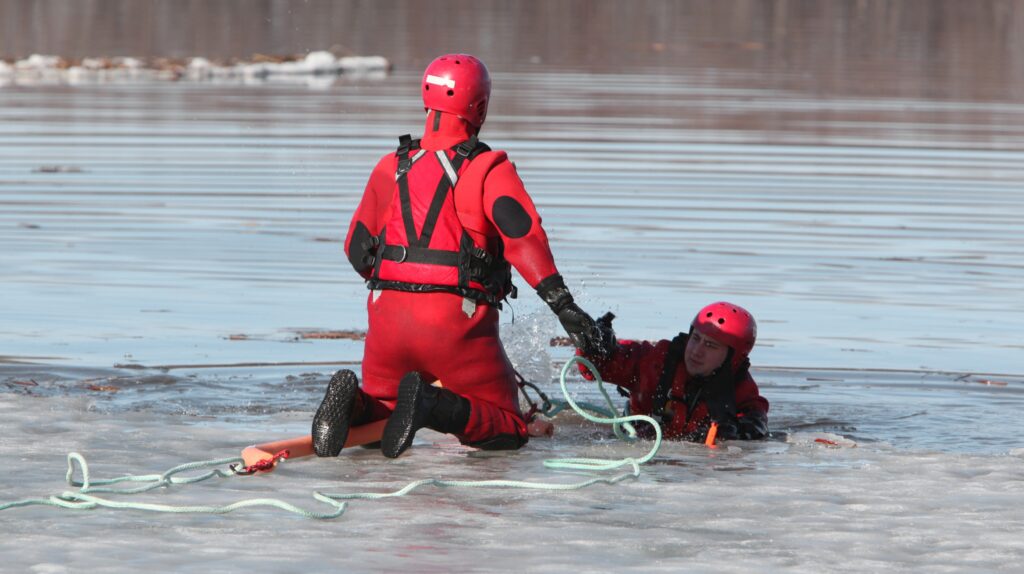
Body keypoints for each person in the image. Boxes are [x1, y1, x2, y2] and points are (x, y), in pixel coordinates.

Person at [312, 54, 603, 459]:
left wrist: (404, 286)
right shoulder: (488, 167)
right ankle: (431, 406)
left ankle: (357, 404)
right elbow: (524, 240)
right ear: (480, 107)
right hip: (456, 326)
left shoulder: (390, 166)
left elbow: (356, 250)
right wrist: (565, 307)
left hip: (387, 323)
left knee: (387, 410)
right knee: (507, 427)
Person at [579, 301, 769, 442]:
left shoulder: (741, 390)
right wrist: (595, 343)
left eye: (710, 345)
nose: (696, 351)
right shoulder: (656, 361)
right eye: (696, 338)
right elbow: (594, 366)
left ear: (733, 358)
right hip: (633, 442)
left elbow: (757, 424)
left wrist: (732, 432)